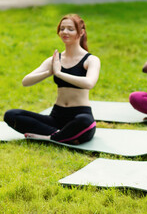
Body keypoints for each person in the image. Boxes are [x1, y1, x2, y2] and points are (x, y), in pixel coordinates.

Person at [4, 14, 100, 145]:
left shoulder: (91, 60)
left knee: (84, 122)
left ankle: (49, 137)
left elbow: (89, 83)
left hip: (80, 115)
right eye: (62, 28)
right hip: (56, 117)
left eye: (70, 29)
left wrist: (60, 74)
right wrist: (49, 72)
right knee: (11, 115)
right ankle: (63, 135)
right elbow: (26, 81)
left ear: (81, 32)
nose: (65, 32)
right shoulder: (54, 60)